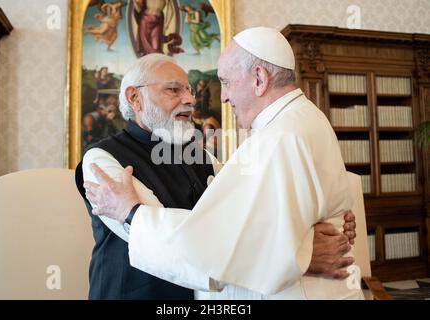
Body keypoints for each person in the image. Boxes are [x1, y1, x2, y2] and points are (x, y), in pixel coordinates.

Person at [85, 27, 364, 299]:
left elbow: (229, 231)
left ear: (259, 79)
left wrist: (300, 245)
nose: (192, 100)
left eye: (191, 90)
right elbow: (209, 239)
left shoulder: (225, 150)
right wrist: (300, 254)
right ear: (135, 98)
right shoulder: (101, 159)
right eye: (174, 90)